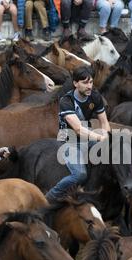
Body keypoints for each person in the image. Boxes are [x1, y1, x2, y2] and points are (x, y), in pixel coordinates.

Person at [45, 66, 110, 202]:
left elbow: (104, 122)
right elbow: (78, 129)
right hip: (69, 139)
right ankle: (50, 197)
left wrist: (107, 136)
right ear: (75, 83)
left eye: (91, 82)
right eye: (85, 83)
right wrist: (99, 137)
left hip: (86, 136)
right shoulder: (66, 101)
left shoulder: (94, 96)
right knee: (79, 174)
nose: (89, 86)